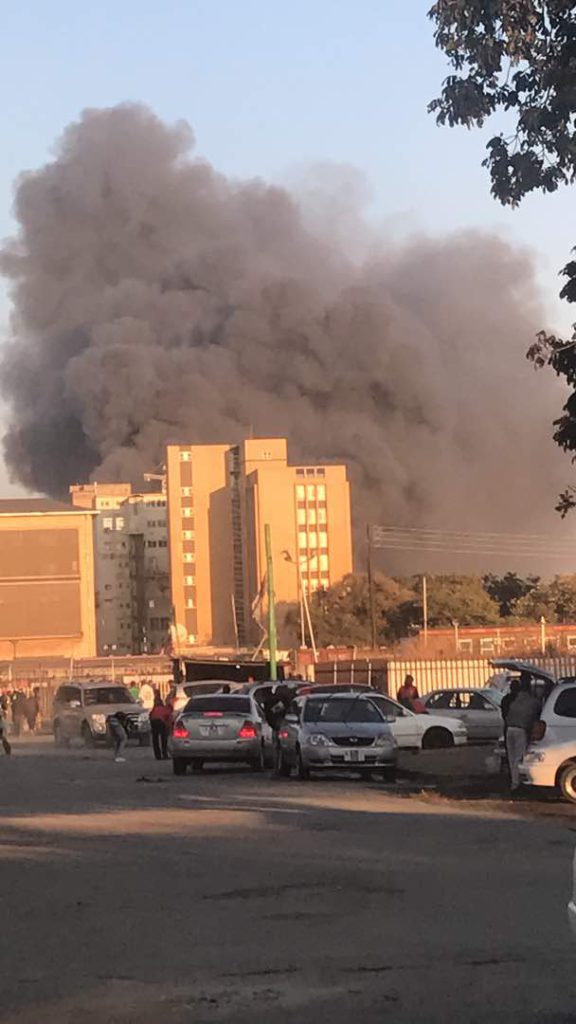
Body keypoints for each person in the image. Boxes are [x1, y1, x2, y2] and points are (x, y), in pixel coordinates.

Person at [505, 673, 541, 791]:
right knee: (519, 758)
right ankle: (519, 784)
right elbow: (537, 716)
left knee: (512, 758)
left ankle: (514, 783)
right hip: (521, 730)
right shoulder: (533, 702)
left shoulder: (515, 699)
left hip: (509, 729)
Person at [149, 694, 171, 760]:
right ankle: (165, 755)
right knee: (163, 739)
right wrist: (168, 728)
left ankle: (157, 755)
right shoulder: (165, 709)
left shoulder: (154, 709)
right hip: (161, 721)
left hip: (153, 721)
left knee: (155, 739)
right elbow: (168, 719)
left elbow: (150, 716)